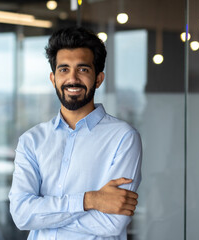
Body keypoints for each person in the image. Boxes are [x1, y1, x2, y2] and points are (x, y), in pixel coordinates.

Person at [9, 26, 142, 240]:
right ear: (53, 78)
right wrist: (90, 201)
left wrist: (45, 216)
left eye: (83, 69)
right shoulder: (31, 141)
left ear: (98, 79)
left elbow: (111, 223)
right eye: (64, 69)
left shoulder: (123, 138)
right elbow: (22, 215)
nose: (72, 79)